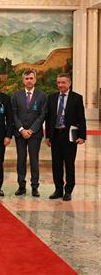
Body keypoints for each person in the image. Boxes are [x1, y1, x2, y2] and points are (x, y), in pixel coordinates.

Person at [45, 72, 86, 201]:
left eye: (63, 82)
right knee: (56, 164)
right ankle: (58, 189)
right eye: (58, 83)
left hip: (70, 136)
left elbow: (81, 119)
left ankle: (68, 190)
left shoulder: (77, 98)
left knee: (69, 164)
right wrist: (47, 136)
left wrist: (82, 136)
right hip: (55, 135)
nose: (60, 85)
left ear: (69, 83)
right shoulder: (51, 98)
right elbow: (49, 118)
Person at [12, 69, 47, 197]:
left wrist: (31, 130)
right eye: (26, 79)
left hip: (35, 134)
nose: (29, 81)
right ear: (23, 80)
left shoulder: (42, 96)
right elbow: (13, 114)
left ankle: (34, 187)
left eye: (31, 78)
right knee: (21, 159)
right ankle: (21, 186)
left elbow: (42, 115)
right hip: (20, 134)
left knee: (34, 160)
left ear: (35, 80)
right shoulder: (16, 95)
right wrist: (21, 129)